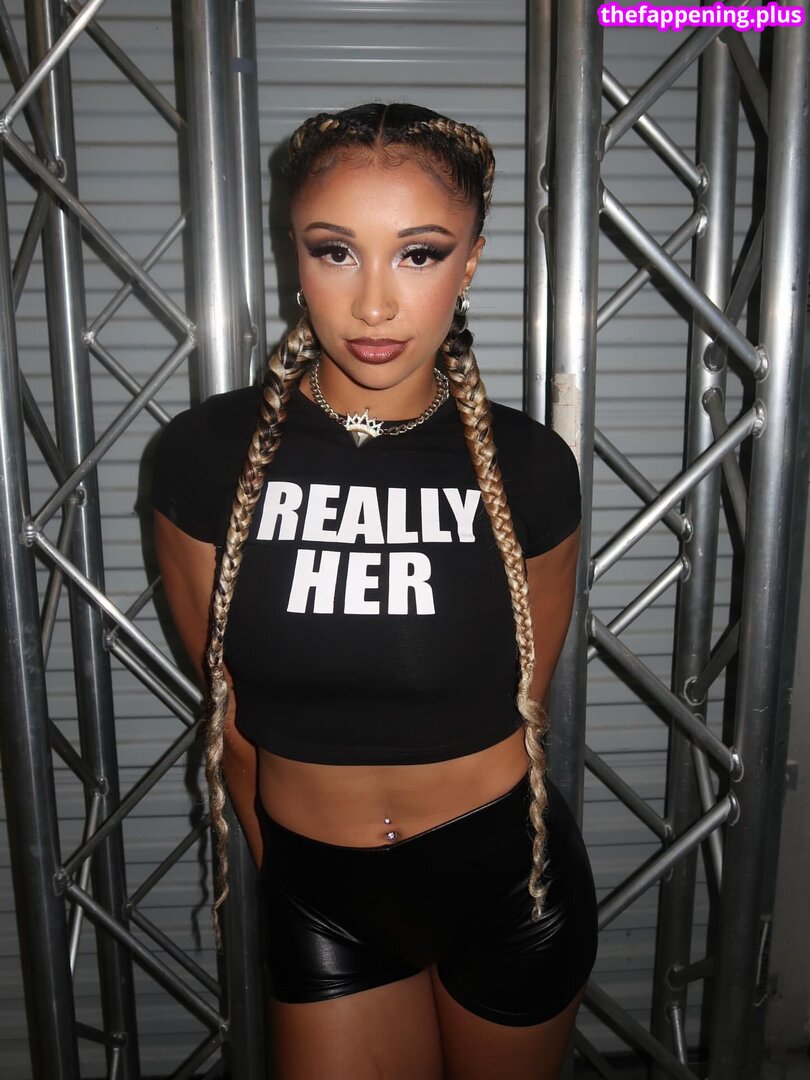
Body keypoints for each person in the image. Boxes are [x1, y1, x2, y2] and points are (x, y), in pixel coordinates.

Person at [152, 102, 597, 1080]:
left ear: (470, 264)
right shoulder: (203, 458)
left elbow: (525, 704)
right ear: (295, 256)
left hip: (508, 887)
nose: (376, 305)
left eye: (420, 254)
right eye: (337, 251)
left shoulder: (530, 468)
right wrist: (297, 875)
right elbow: (228, 714)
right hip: (319, 895)